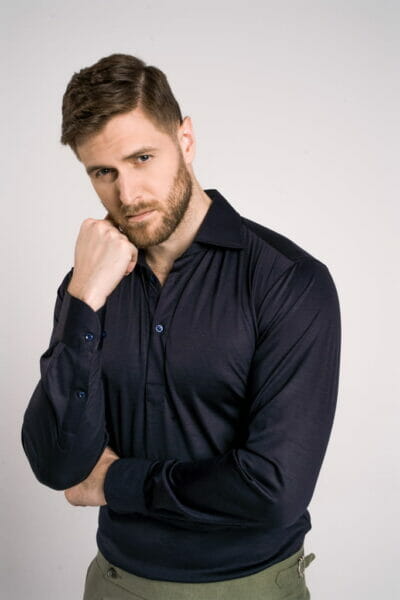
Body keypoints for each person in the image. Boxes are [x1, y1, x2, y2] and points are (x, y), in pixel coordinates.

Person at [21, 53, 341, 600]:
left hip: (247, 588)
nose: (127, 195)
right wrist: (83, 300)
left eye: (142, 158)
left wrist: (116, 481)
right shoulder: (90, 284)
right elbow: (57, 464)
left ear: (185, 139)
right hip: (115, 582)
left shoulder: (288, 281)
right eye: (103, 172)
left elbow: (274, 490)